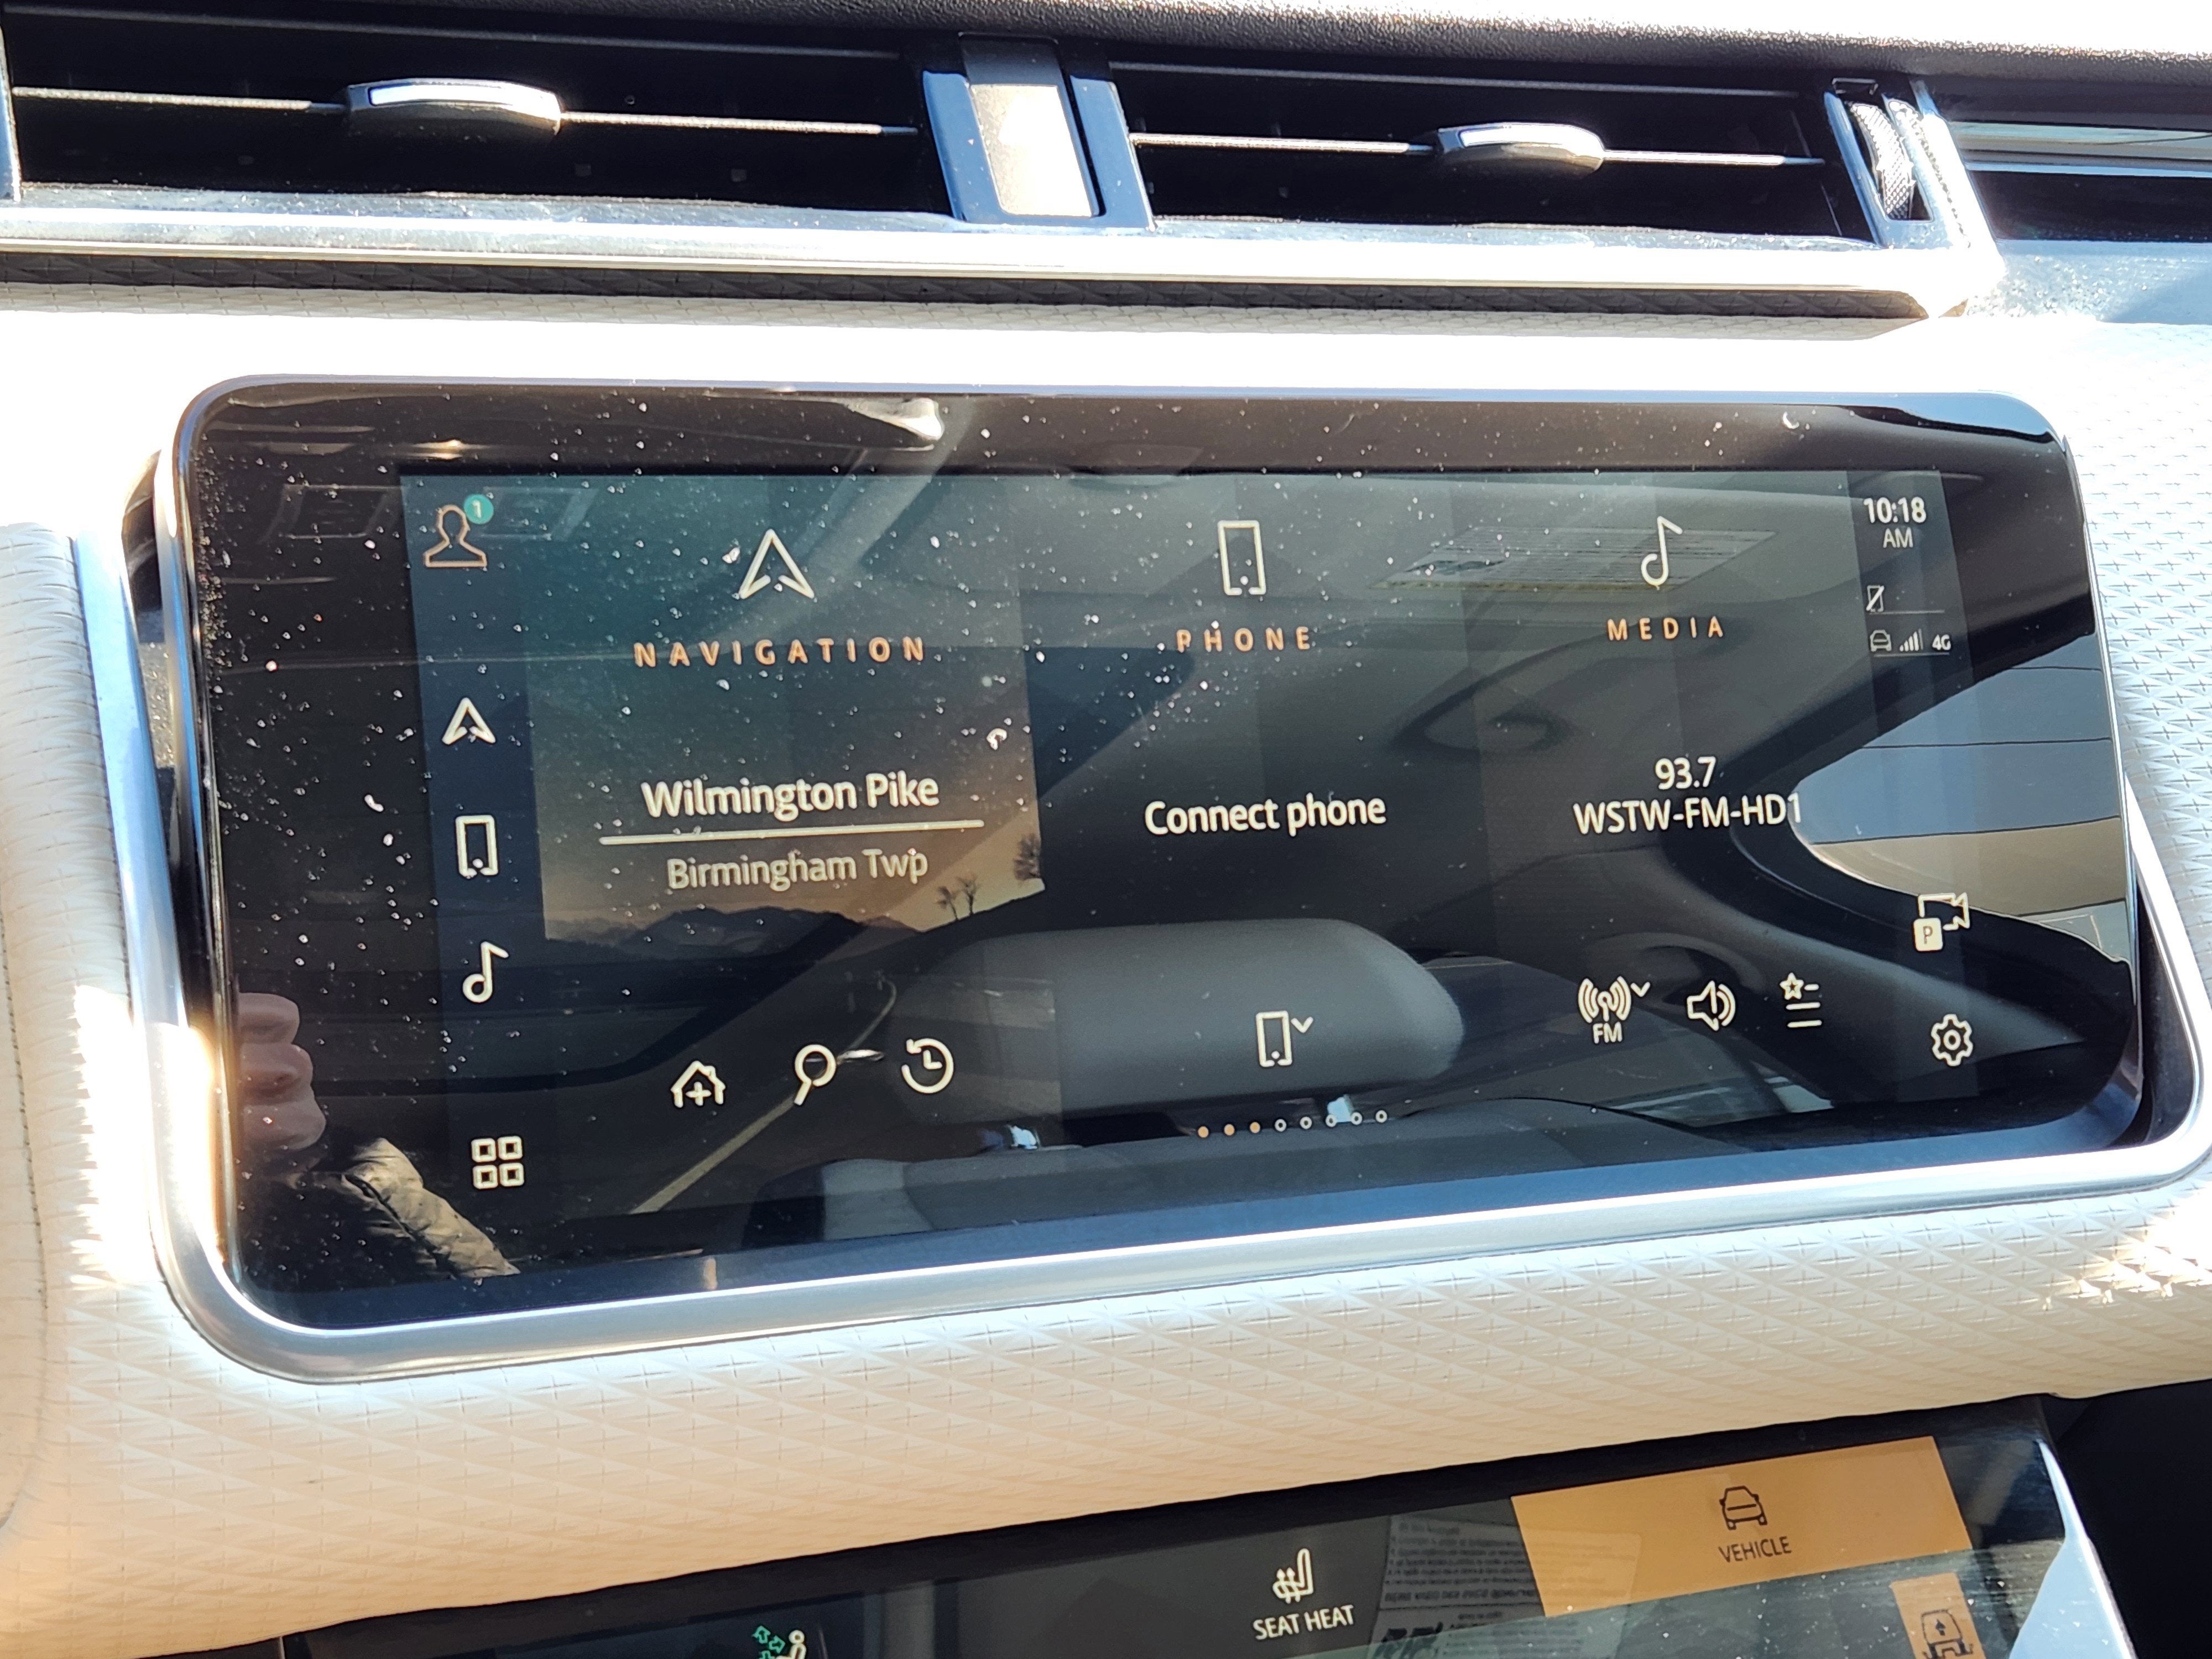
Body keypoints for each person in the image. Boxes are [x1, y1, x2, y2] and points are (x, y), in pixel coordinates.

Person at [234, 991, 516, 1291]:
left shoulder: (358, 1180)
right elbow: (493, 1298)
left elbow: (489, 1299)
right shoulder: (363, 1179)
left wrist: (312, 1162)